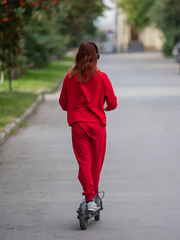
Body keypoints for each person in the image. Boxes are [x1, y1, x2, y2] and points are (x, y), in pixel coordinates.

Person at [59, 42, 117, 211]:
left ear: (78, 56)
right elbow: (113, 103)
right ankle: (93, 194)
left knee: (84, 162)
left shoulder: (70, 77)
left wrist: (74, 107)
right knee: (96, 163)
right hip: (98, 125)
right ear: (96, 57)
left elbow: (63, 103)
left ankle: (89, 198)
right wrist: (104, 108)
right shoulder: (102, 77)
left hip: (78, 125)